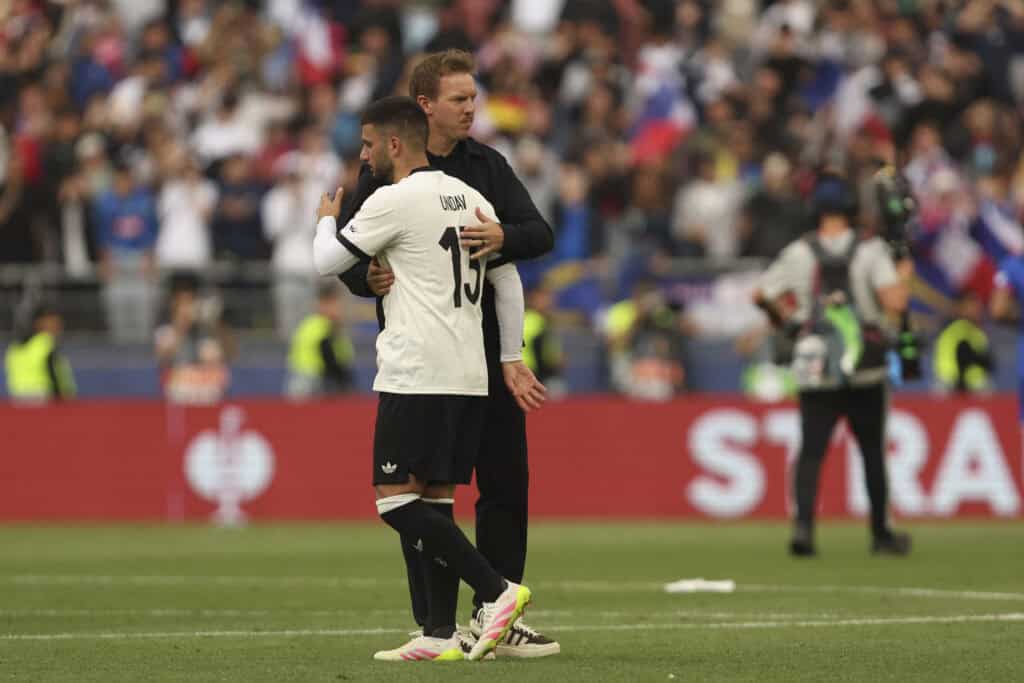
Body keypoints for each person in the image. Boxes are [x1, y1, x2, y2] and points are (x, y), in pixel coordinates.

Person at [336, 49, 559, 657]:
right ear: (425, 106)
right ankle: (436, 627)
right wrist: (366, 281)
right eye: (461, 99)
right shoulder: (386, 162)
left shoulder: (487, 166)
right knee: (426, 491)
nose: (472, 109)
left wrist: (504, 237)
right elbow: (351, 257)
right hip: (423, 355)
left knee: (504, 482)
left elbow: (539, 233)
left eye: (474, 97)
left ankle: (500, 610)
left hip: (486, 351)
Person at [753, 172, 912, 557]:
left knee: (811, 451)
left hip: (816, 365)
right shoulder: (871, 251)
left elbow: (760, 293)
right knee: (872, 452)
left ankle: (803, 529)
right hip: (865, 365)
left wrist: (787, 322)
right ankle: (880, 533)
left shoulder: (799, 252)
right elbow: (895, 303)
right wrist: (904, 269)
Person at [284, 285, 355, 399]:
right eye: (335, 303)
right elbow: (328, 354)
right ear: (323, 303)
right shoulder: (321, 326)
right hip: (311, 381)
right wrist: (342, 379)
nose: (339, 309)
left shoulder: (318, 324)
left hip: (310, 379)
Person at [5, 304, 76, 403]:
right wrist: (61, 401)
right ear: (39, 323)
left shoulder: (14, 348)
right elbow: (53, 374)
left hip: (18, 402)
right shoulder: (45, 343)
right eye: (53, 322)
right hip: (45, 401)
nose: (58, 326)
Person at [934, 289, 993, 394]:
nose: (976, 310)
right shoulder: (956, 329)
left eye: (978, 307)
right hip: (951, 387)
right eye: (971, 306)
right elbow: (965, 356)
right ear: (960, 308)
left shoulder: (978, 333)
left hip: (971, 386)